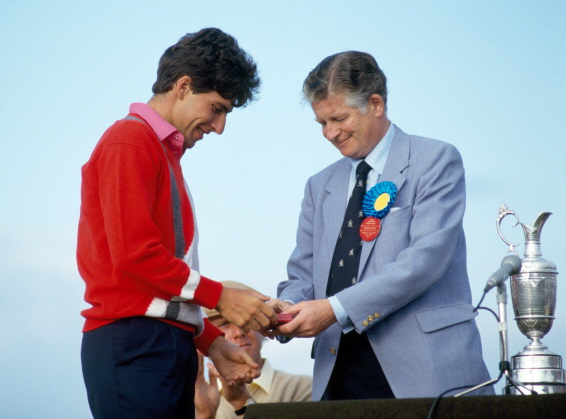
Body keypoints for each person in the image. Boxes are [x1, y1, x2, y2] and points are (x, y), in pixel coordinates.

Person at [77, 28, 277, 418]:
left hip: (159, 344)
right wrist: (220, 296)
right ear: (184, 86)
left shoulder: (157, 150)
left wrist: (213, 344)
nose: (219, 127)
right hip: (133, 344)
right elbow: (136, 257)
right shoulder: (129, 141)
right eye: (218, 108)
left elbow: (161, 288)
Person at [270, 51, 493, 401]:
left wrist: (333, 310)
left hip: (426, 373)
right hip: (338, 374)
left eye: (338, 118)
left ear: (375, 104)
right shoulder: (319, 184)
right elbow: (302, 275)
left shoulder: (435, 160)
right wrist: (282, 309)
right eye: (321, 123)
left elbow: (424, 261)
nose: (330, 133)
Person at [195, 281, 312, 419]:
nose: (239, 332)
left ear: (263, 327)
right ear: (202, 336)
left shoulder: (300, 388)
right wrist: (205, 415)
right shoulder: (195, 397)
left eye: (247, 321)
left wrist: (241, 401)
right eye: (225, 324)